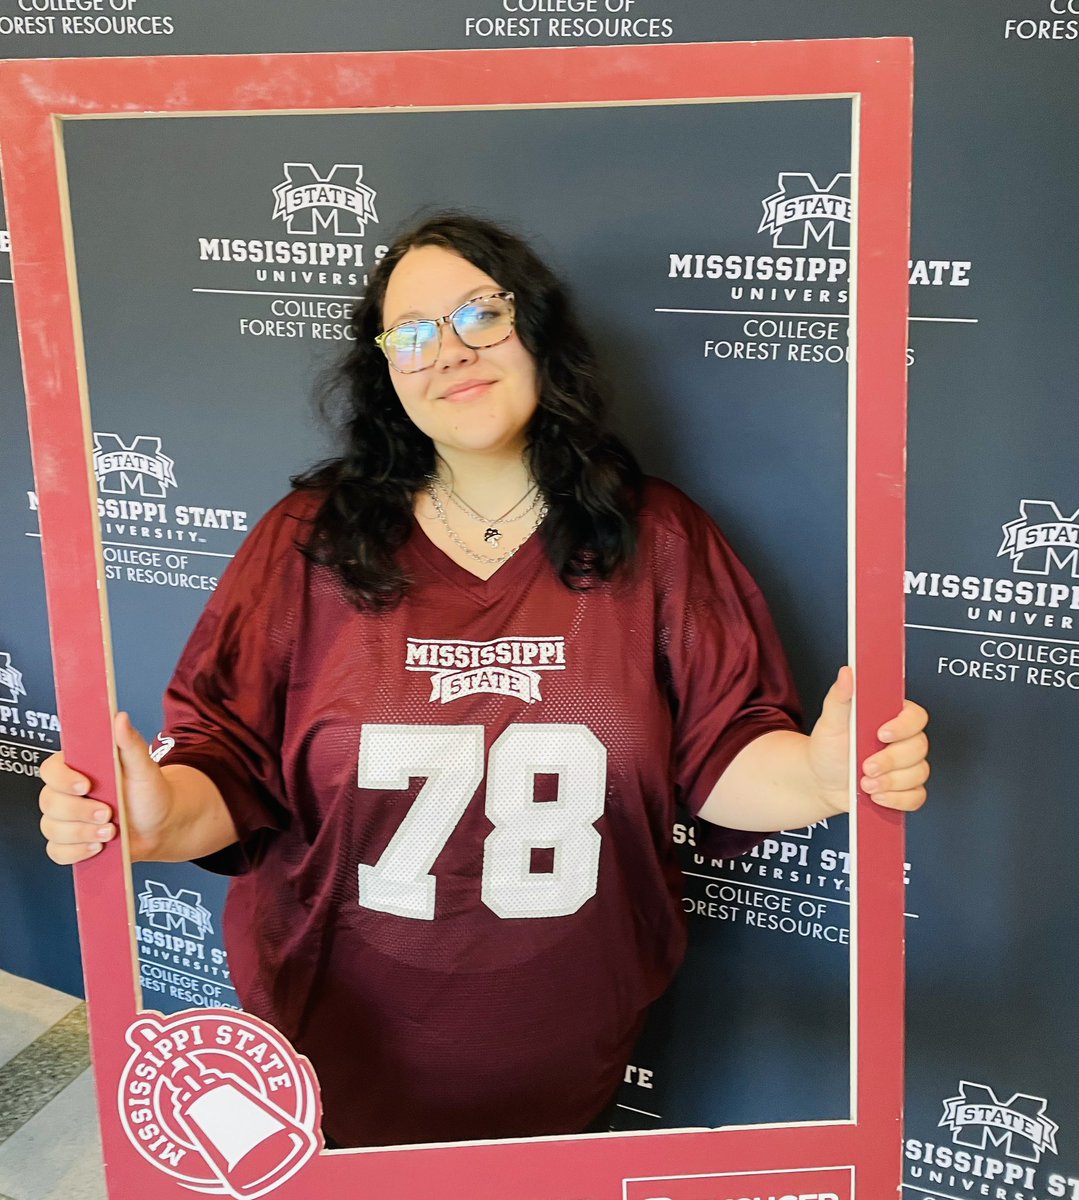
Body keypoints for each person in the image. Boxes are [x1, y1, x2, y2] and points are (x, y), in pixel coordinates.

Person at [38, 212, 928, 1149]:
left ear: (535, 329)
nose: (449, 352)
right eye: (410, 334)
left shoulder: (655, 535)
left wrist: (827, 780)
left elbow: (722, 753)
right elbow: (230, 763)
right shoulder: (310, 541)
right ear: (386, 371)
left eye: (480, 315)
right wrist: (157, 818)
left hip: (565, 1042)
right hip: (329, 1040)